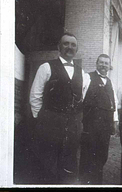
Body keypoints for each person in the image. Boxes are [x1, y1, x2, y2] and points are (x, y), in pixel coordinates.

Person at [29, 32, 90, 184]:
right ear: (59, 46)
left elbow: (81, 97)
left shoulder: (82, 73)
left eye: (73, 44)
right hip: (49, 125)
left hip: (72, 127)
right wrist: (42, 119)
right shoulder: (46, 67)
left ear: (77, 49)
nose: (70, 47)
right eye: (66, 43)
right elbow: (35, 96)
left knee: (68, 164)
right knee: (47, 163)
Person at [78, 54, 119, 184]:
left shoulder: (110, 82)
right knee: (87, 154)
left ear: (109, 66)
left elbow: (114, 103)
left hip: (105, 126)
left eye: (106, 63)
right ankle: (85, 182)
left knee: (102, 155)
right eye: (101, 62)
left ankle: (97, 182)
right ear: (96, 64)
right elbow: (80, 97)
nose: (103, 65)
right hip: (90, 124)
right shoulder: (87, 77)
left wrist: (115, 120)